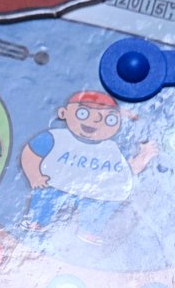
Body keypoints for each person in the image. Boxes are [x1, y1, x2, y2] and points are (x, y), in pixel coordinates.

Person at [20, 89, 157, 244]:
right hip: (57, 183)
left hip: (93, 191)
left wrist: (144, 156)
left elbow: (129, 170)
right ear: (64, 113)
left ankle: (89, 230)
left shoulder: (112, 149)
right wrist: (34, 176)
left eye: (109, 119)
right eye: (83, 114)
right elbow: (31, 152)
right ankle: (38, 220)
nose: (94, 121)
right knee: (46, 192)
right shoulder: (57, 138)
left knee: (104, 200)